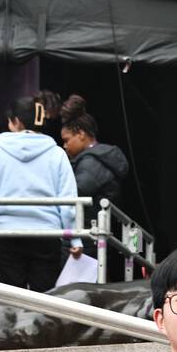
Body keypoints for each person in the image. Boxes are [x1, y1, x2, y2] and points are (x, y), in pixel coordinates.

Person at [0, 93, 82, 291]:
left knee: (10, 300)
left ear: (15, 122)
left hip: (6, 232)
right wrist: (72, 236)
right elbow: (68, 202)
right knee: (43, 300)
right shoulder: (56, 153)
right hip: (46, 233)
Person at [60, 95, 129, 280]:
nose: (64, 146)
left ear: (81, 134)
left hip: (86, 238)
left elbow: (75, 192)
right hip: (91, 235)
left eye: (67, 140)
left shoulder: (92, 162)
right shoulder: (97, 159)